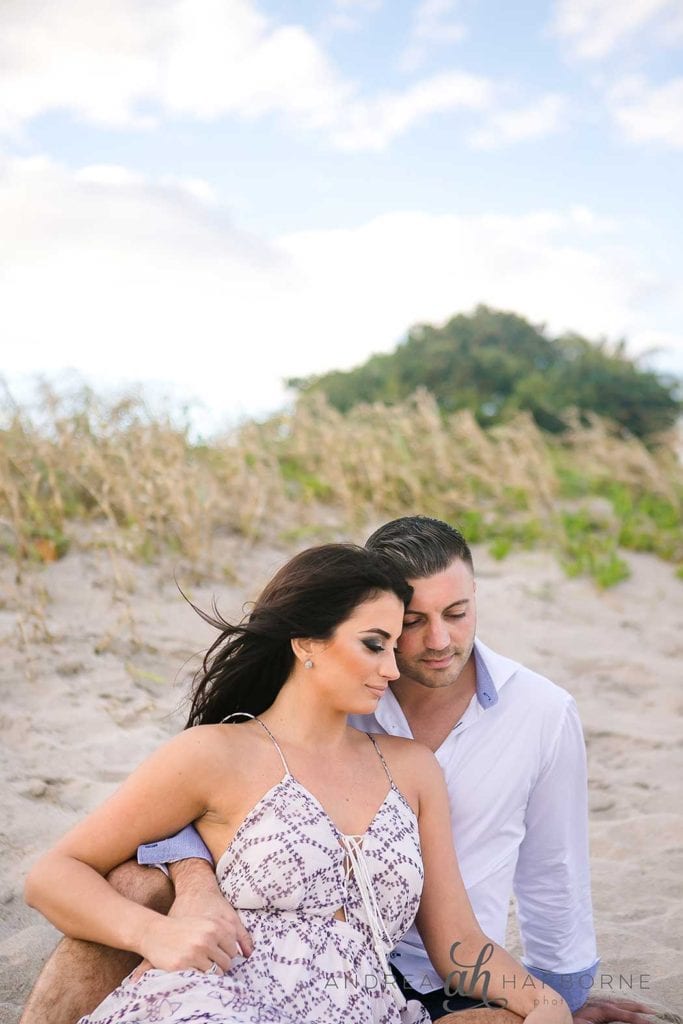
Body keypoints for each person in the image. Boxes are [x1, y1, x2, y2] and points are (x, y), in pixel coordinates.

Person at [24, 543, 570, 1024]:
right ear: (307, 642)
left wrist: (547, 1000)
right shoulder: (216, 753)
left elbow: (458, 944)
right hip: (219, 1002)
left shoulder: (411, 768)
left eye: (392, 646)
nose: (393, 669)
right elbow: (53, 874)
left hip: (365, 1008)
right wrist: (152, 934)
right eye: (373, 645)